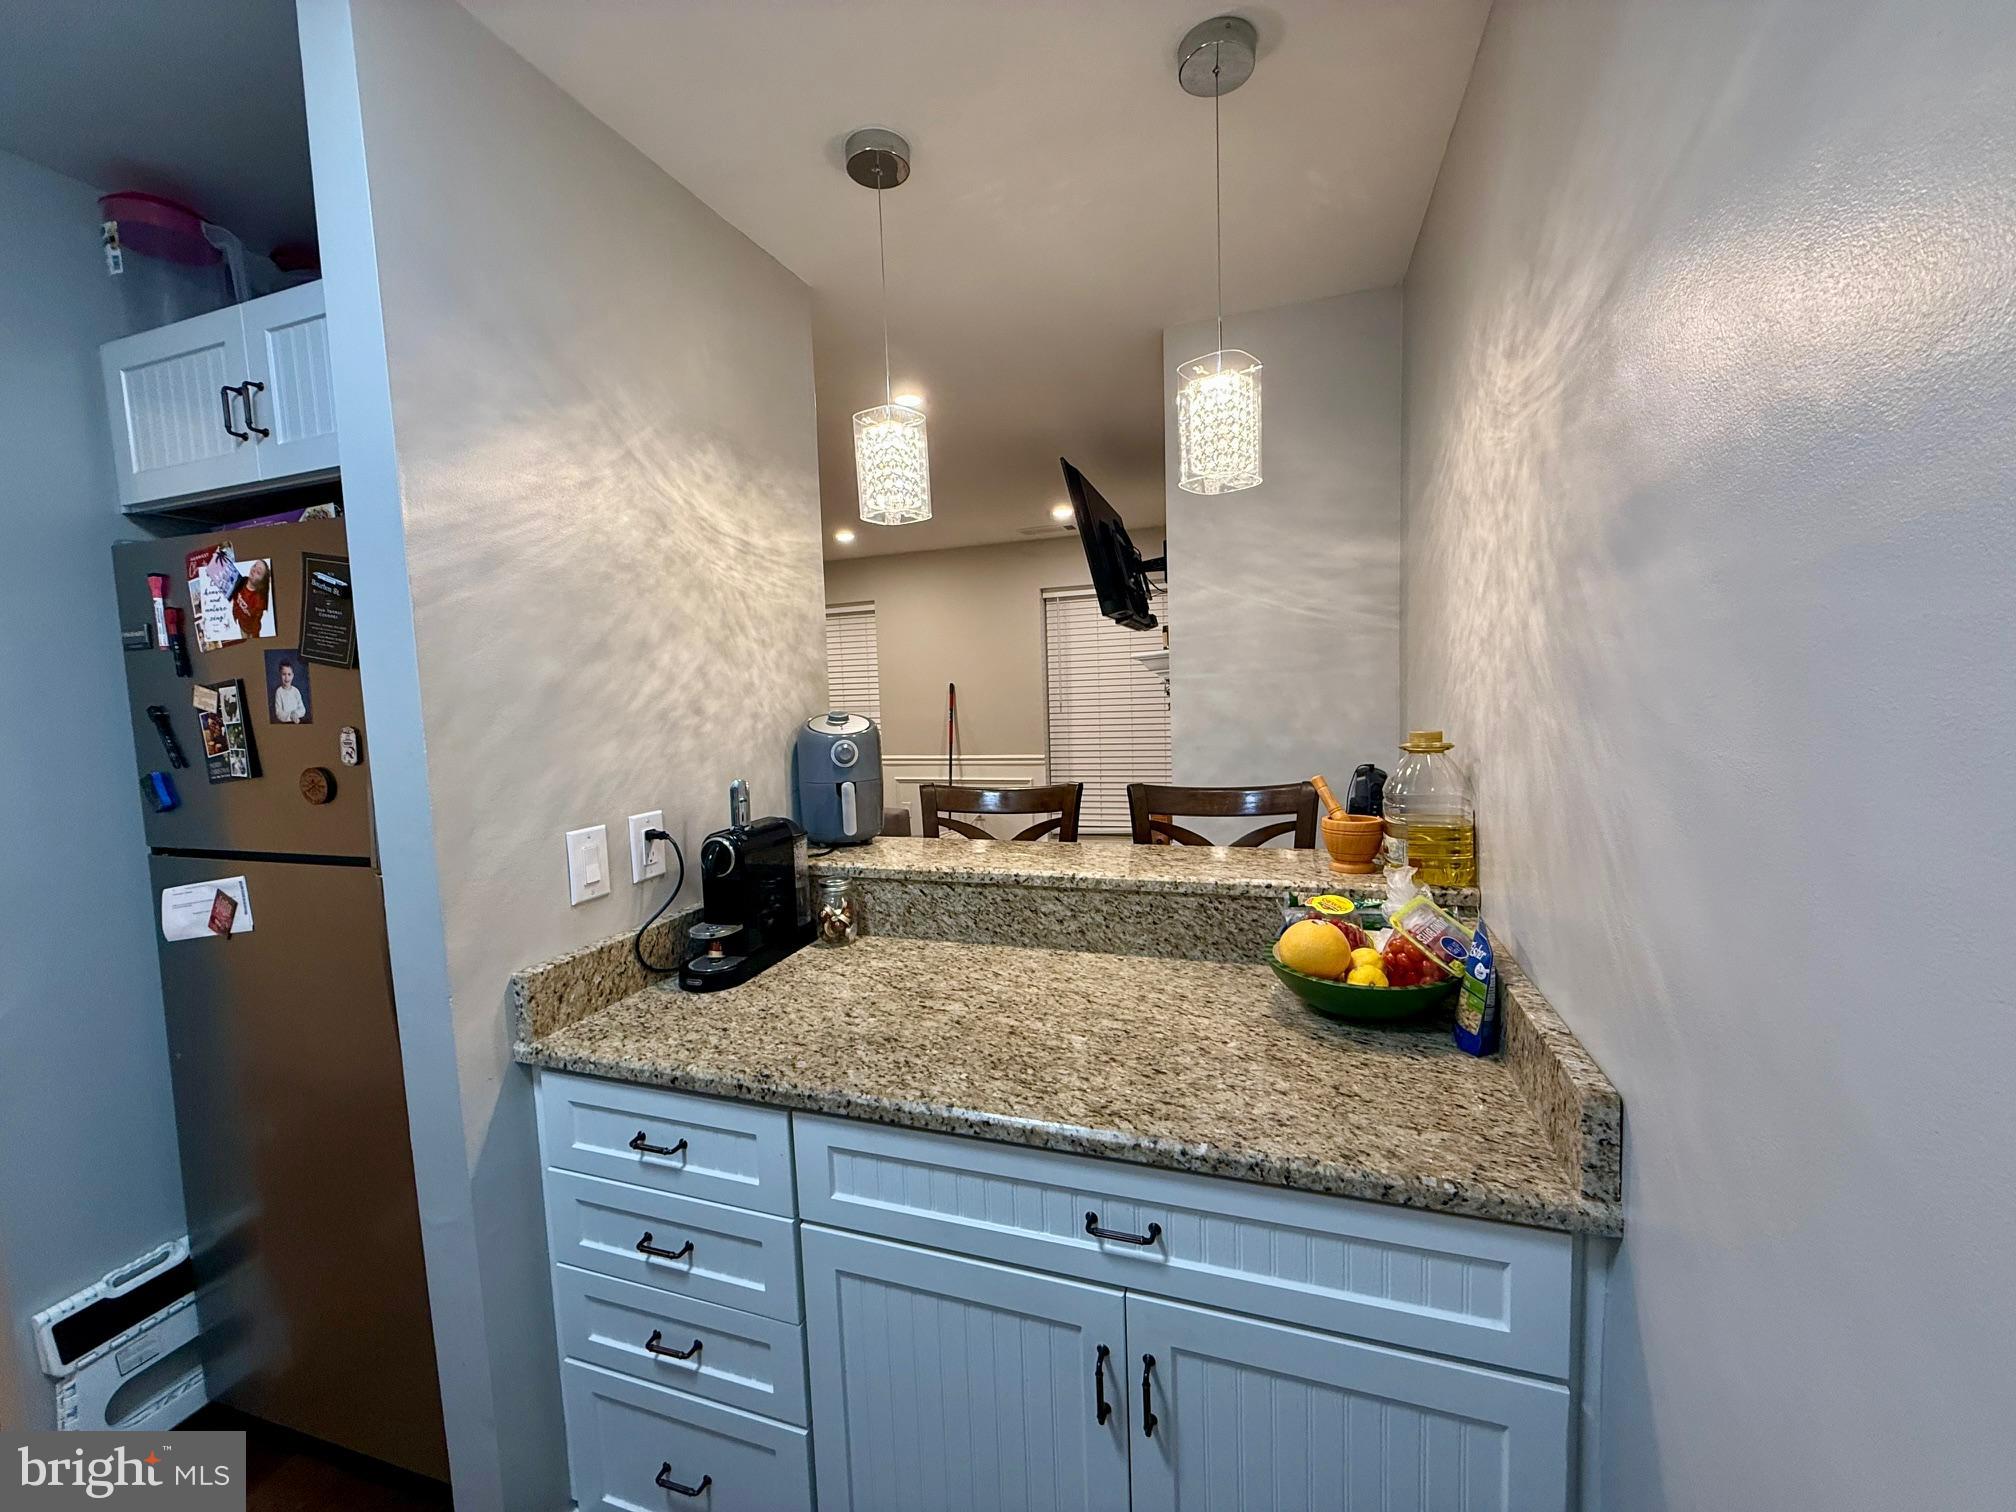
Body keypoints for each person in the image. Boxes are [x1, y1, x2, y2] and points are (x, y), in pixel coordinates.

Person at [231, 559, 271, 639]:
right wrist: (235, 614)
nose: (254, 570)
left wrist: (254, 635)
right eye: (254, 566)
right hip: (242, 625)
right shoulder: (242, 582)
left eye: (258, 572)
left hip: (253, 631)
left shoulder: (259, 600)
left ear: (261, 582)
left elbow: (256, 622)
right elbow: (235, 599)